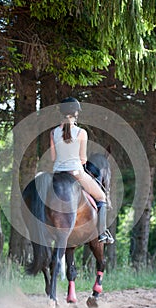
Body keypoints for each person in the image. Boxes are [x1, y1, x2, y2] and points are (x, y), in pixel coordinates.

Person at [50, 97, 114, 244]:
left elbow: (53, 157)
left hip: (58, 173)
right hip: (76, 173)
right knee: (102, 197)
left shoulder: (53, 132)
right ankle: (102, 233)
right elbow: (83, 159)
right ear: (76, 113)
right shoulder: (81, 132)